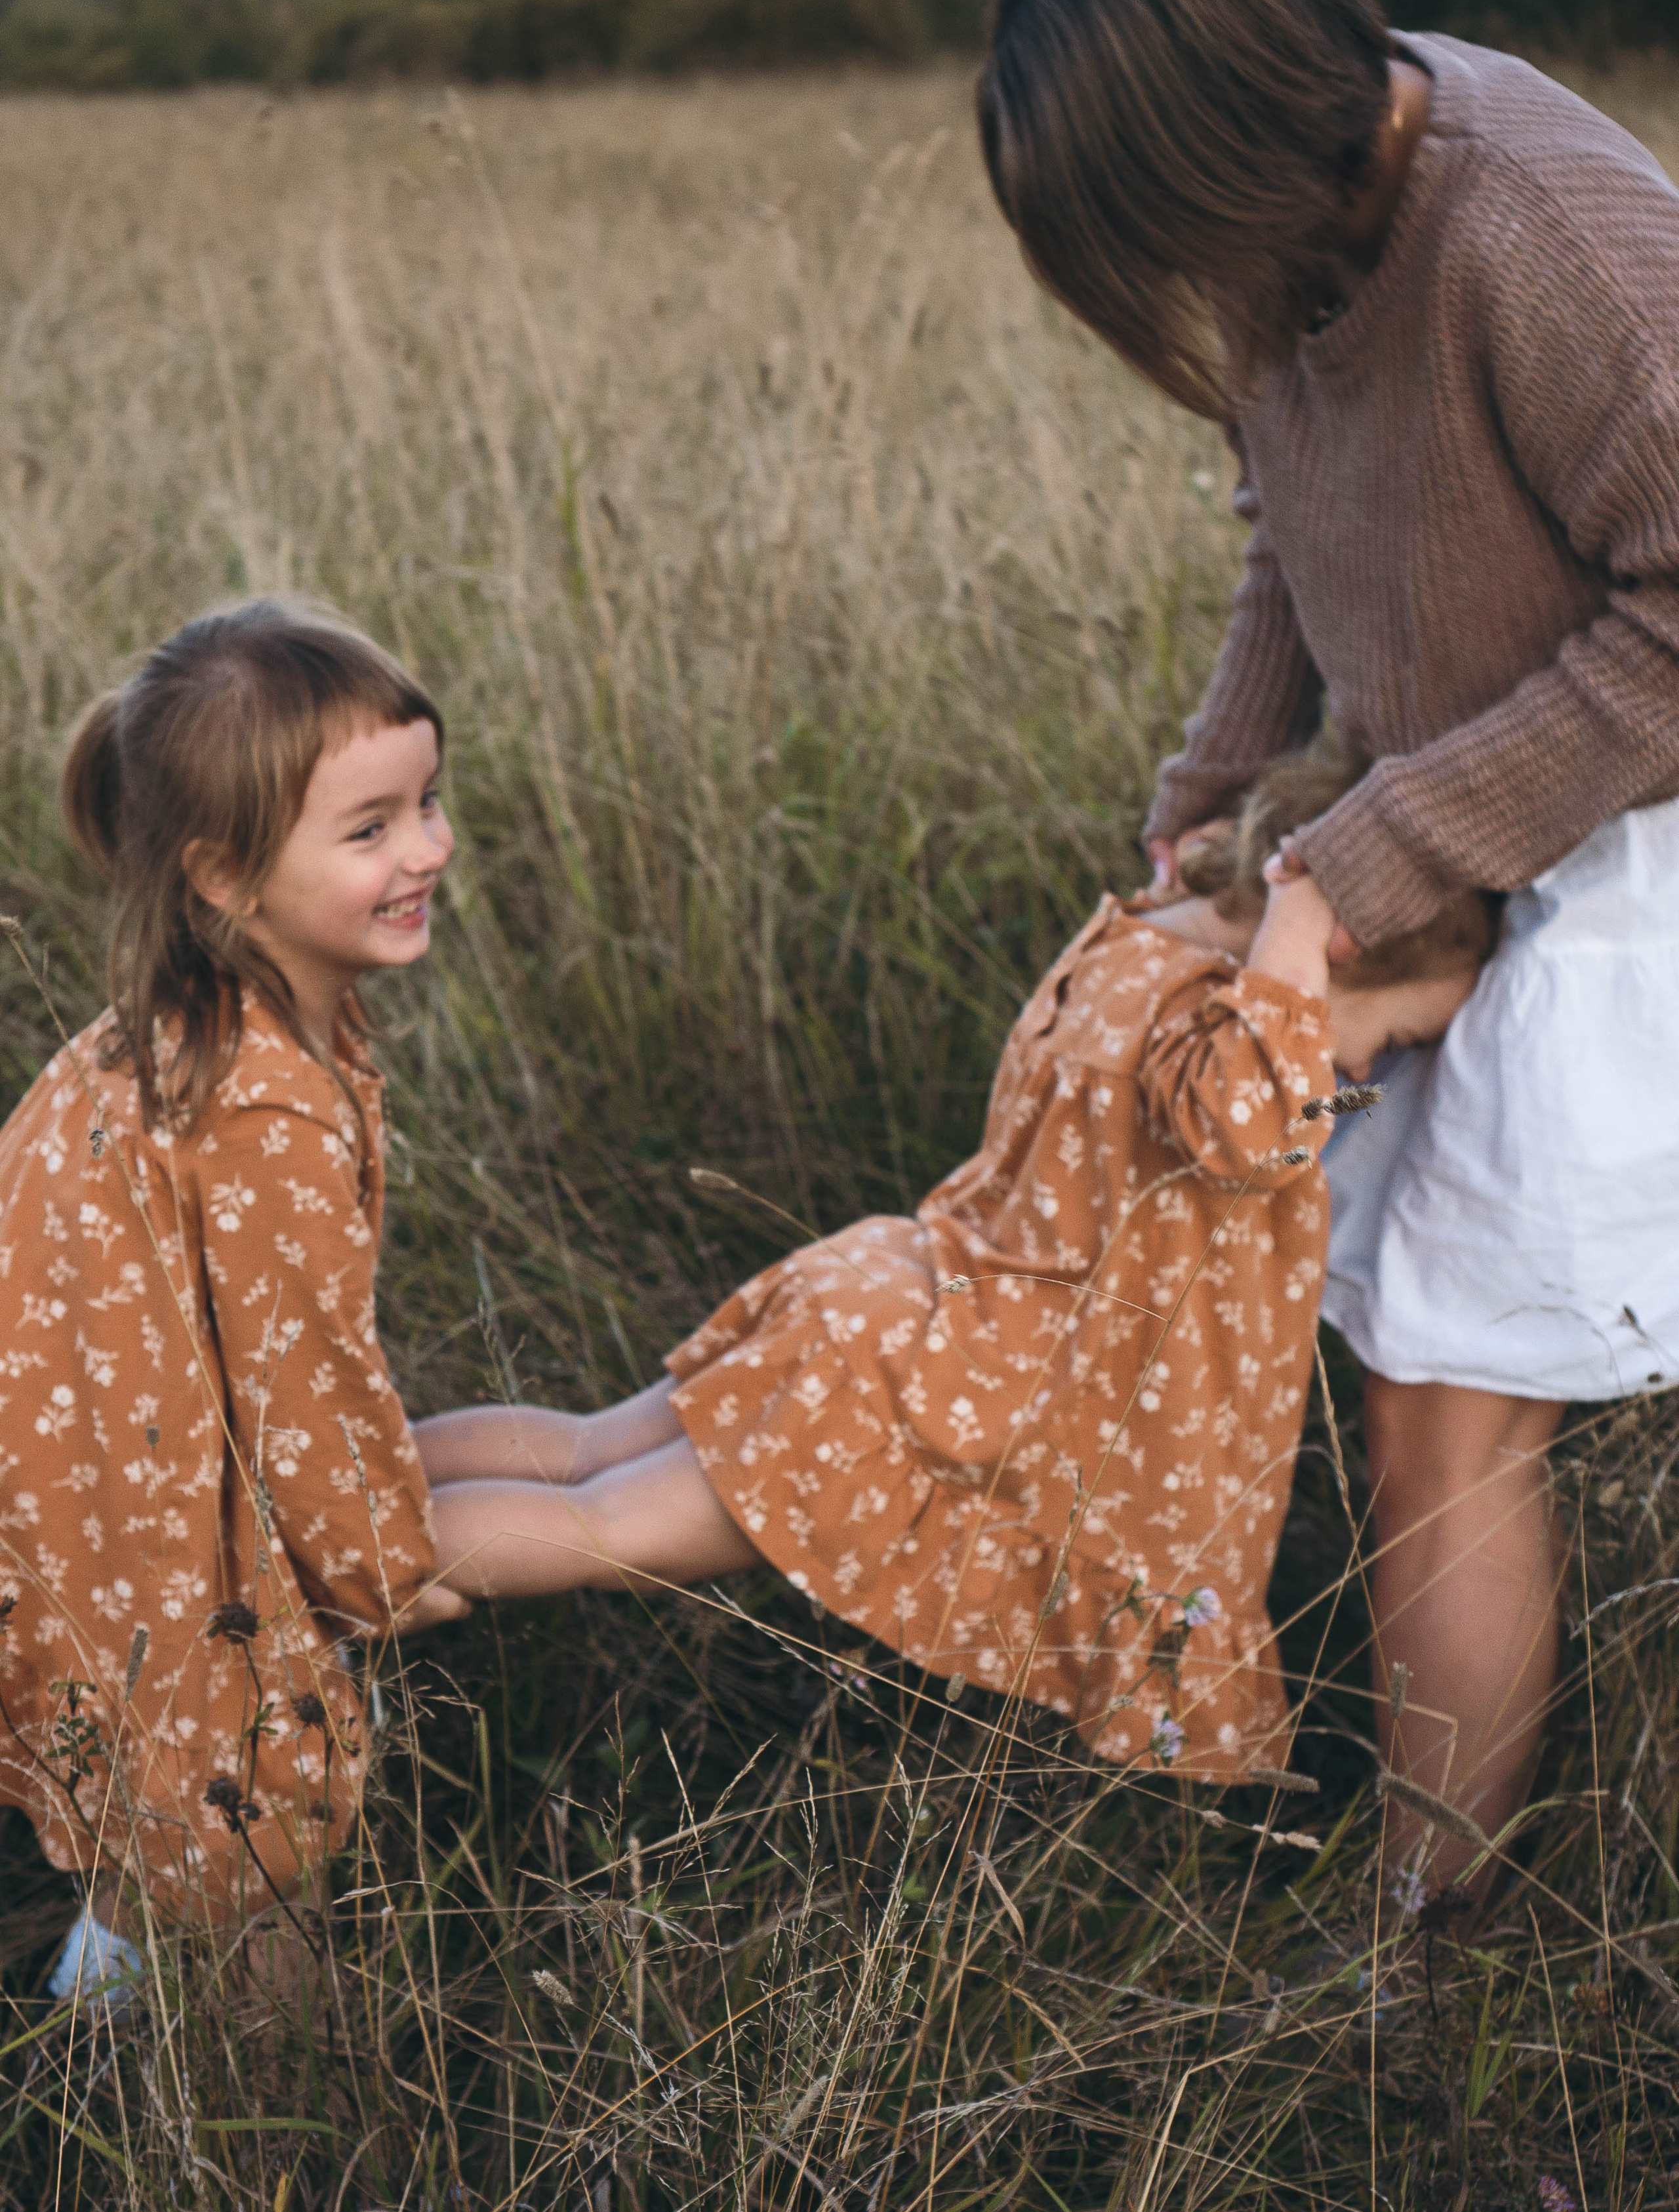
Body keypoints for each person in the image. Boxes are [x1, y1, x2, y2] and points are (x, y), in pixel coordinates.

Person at [973, 0, 1679, 1889]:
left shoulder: (1545, 236)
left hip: (1643, 850)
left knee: (1446, 1410)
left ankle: (1422, 1961)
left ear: (1227, 143)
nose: (1175, 295)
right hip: (1498, 819)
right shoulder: (1300, 202)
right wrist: (1216, 783)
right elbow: (1292, 522)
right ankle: (1413, 1855)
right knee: (1376, 1345)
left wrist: (1359, 858)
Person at [420, 750, 1495, 1787]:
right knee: (605, 1528)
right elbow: (1264, 1131)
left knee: (589, 1452)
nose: (1365, 1069)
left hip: (888, 1300)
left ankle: (344, 1473)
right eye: (1397, 1037)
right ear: (1341, 947)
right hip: (939, 1392)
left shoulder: (1134, 947)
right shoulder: (1233, 1050)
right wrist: (1303, 925)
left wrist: (1288, 920)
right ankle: (331, 1562)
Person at [0, 598, 472, 1989]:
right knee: (254, 1843)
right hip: (134, 1529)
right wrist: (384, 1576)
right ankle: (223, 2088)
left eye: (426, 802)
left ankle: (106, 1993)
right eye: (370, 830)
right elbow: (301, 1390)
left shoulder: (195, 1021)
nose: (428, 849)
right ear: (225, 875)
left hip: (92, 1489)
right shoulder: (261, 1108)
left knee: (169, 1815)